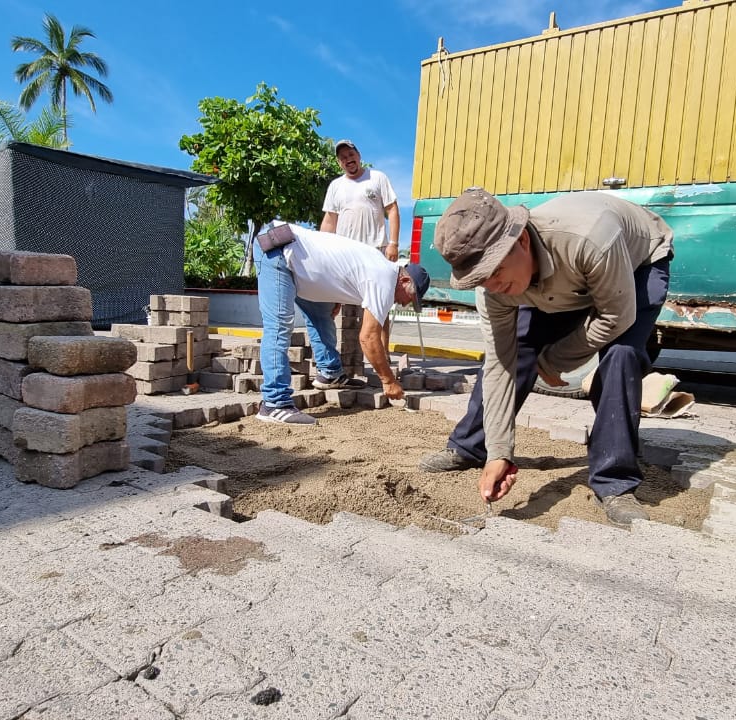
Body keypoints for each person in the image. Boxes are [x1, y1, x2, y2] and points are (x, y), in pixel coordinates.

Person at [418, 188, 674, 528]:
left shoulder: (590, 238)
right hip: (567, 273)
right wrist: (500, 452)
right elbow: (500, 364)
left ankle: (615, 483)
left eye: (494, 271)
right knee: (516, 347)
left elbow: (614, 317)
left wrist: (552, 362)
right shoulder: (495, 286)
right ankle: (473, 447)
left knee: (620, 355)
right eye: (481, 279)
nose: (492, 286)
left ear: (522, 241)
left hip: (636, 262)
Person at [253, 221, 430, 425]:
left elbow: (343, 267)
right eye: (410, 299)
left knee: (322, 316)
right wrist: (388, 381)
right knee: (279, 326)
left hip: (301, 261)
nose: (405, 303)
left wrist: (335, 296)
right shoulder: (385, 279)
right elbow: (368, 338)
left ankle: (330, 374)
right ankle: (274, 403)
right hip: (279, 249)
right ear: (405, 281)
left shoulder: (379, 266)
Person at [321, 139, 401, 261]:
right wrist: (322, 250)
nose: (348, 159)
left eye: (351, 154)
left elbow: (392, 210)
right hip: (344, 253)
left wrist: (393, 243)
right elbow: (329, 222)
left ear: (359, 155)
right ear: (339, 163)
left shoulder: (378, 178)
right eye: (343, 158)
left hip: (375, 251)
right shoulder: (335, 186)